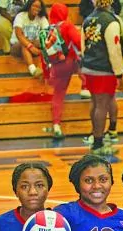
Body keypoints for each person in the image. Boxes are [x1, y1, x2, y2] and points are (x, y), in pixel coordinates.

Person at [82, 0, 123, 156]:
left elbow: (83, 45)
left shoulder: (88, 19)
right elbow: (114, 50)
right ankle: (98, 143)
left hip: (89, 67)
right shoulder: (111, 21)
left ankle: (95, 138)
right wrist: (119, 73)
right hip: (104, 69)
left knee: (95, 103)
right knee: (102, 106)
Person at [44, 2, 81, 140]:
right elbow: (78, 42)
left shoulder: (49, 29)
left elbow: (44, 52)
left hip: (57, 65)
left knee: (58, 95)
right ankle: (85, 87)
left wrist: (47, 73)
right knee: (85, 68)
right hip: (71, 61)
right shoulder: (67, 25)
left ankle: (56, 126)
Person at [10, 0, 48, 77]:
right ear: (29, 6)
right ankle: (33, 70)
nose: (36, 9)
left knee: (44, 43)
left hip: (33, 44)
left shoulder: (42, 18)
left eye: (39, 7)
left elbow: (47, 34)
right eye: (34, 6)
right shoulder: (21, 16)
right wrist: (30, 46)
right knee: (24, 44)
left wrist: (37, 42)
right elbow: (19, 35)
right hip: (17, 46)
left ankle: (45, 69)